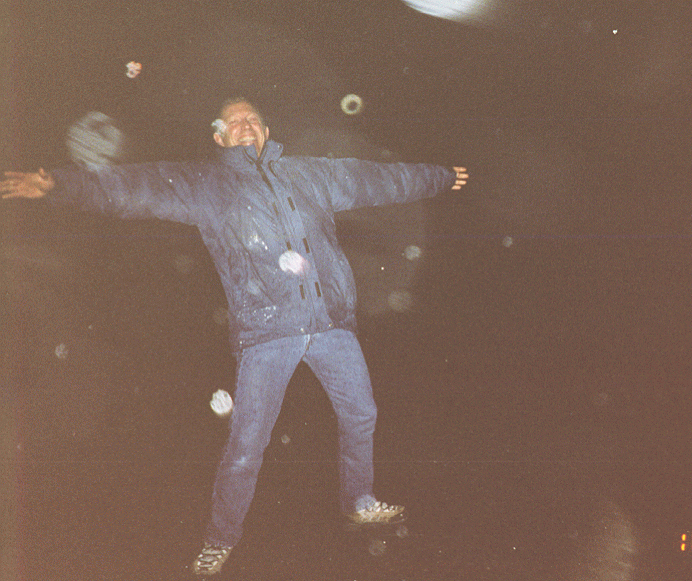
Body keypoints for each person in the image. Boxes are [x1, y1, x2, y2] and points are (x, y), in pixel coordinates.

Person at [2, 97, 468, 576]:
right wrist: (59, 185)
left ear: (266, 130)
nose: (245, 124)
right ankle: (220, 538)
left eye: (253, 118)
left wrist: (438, 176)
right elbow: (134, 186)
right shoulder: (208, 186)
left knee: (361, 414)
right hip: (267, 333)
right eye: (234, 121)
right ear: (219, 136)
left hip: (331, 323)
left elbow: (378, 179)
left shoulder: (310, 174)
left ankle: (359, 501)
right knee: (247, 447)